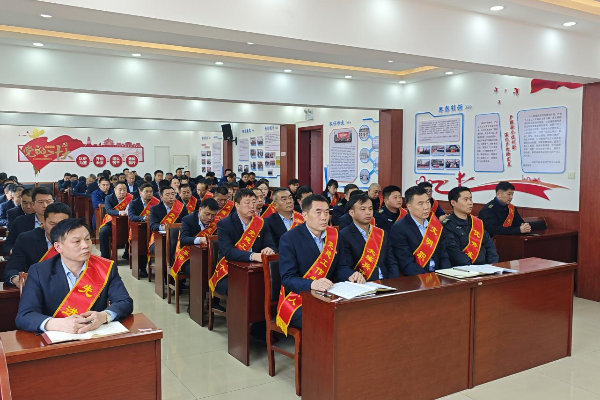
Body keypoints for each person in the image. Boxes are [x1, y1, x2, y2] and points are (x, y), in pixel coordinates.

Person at [15, 218, 133, 334]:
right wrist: (57, 324)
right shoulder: (39, 272)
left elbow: (124, 302)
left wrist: (104, 316)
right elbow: (24, 316)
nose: (85, 245)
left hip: (94, 336)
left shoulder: (105, 267)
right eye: (77, 241)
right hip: (57, 339)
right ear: (58, 247)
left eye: (88, 239)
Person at [278, 194, 365, 333]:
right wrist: (312, 284)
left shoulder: (335, 235)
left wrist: (351, 275)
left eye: (327, 212)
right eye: (318, 212)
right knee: (326, 320)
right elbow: (288, 278)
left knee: (354, 314)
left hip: (327, 295)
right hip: (298, 299)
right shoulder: (289, 239)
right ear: (305, 215)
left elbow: (341, 267)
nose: (324, 217)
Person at [209, 189, 276, 303]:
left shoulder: (262, 223)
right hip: (229, 271)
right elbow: (228, 252)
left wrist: (270, 249)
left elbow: (272, 245)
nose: (252, 206)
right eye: (247, 202)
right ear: (237, 205)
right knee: (244, 289)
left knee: (273, 286)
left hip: (257, 270)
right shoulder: (224, 224)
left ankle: (262, 314)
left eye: (253, 202)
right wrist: (253, 256)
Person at [4, 202, 71, 285]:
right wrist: (16, 279)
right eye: (52, 224)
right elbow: (11, 269)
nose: (57, 228)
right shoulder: (26, 239)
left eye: (62, 224)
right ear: (44, 222)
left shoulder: (78, 240)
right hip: (39, 288)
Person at [389, 186, 451, 275]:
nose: (426, 207)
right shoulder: (399, 228)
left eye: (427, 202)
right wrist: (430, 278)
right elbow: (406, 264)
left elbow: (443, 256)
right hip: (417, 277)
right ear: (409, 206)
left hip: (439, 274)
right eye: (420, 203)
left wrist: (446, 274)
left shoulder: (434, 224)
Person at [340, 193, 399, 281]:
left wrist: (392, 281)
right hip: (362, 284)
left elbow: (392, 263)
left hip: (386, 282)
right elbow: (346, 267)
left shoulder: (382, 233)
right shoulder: (344, 235)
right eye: (363, 209)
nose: (368, 212)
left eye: (370, 209)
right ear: (351, 212)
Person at [442, 187, 499, 266]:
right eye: (465, 199)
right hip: (462, 269)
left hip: (485, 268)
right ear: (453, 203)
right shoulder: (447, 225)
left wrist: (492, 265)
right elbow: (453, 251)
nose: (470, 203)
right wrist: (472, 267)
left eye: (470, 199)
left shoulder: (477, 222)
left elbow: (490, 246)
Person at [171, 198, 219, 277]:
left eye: (213, 215)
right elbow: (183, 239)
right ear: (200, 210)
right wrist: (200, 239)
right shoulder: (188, 220)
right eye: (207, 214)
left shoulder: (217, 222)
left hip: (208, 256)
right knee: (200, 270)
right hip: (188, 257)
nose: (210, 218)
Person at [4, 187, 54, 256]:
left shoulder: (61, 221)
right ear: (33, 204)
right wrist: (14, 251)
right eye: (40, 202)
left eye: (48, 202)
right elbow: (8, 245)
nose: (45, 205)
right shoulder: (20, 221)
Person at [127, 183, 160, 278]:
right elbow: (132, 216)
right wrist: (144, 218)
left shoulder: (157, 203)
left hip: (154, 230)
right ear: (140, 192)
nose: (149, 193)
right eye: (146, 191)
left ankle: (160, 270)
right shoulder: (133, 203)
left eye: (151, 192)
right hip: (140, 229)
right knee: (142, 244)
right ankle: (142, 268)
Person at [148, 185, 188, 261]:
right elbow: (153, 225)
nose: (171, 197)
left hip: (178, 238)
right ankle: (169, 266)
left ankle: (175, 265)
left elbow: (186, 223)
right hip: (159, 239)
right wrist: (163, 227)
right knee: (167, 247)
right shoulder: (154, 209)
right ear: (161, 197)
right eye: (167, 194)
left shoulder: (182, 208)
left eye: (173, 194)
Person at [99, 181, 133, 259]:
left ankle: (127, 253)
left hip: (127, 223)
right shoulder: (109, 198)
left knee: (135, 230)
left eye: (124, 189)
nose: (122, 192)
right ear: (115, 189)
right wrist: (119, 212)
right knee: (103, 231)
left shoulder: (131, 198)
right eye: (120, 190)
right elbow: (109, 210)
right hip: (112, 223)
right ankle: (105, 256)